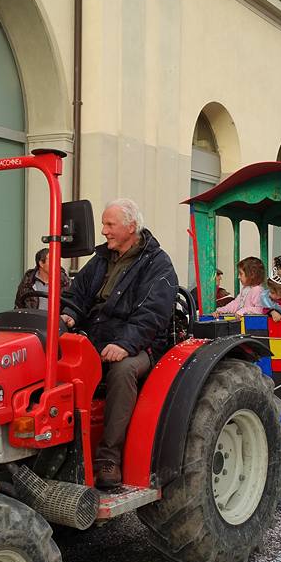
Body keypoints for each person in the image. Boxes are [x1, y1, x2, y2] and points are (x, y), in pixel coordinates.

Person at [60, 198, 177, 489]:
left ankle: (108, 457)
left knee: (122, 370)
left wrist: (126, 343)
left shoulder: (158, 264)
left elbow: (153, 314)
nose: (103, 231)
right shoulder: (100, 260)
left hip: (141, 344)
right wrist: (69, 315)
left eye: (109, 224)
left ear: (131, 226)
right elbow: (78, 295)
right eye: (103, 224)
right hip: (96, 337)